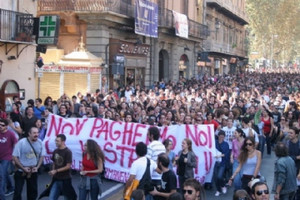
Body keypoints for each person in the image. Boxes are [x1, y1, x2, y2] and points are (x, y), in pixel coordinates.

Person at [40, 134, 77, 200]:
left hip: (65, 179)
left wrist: (56, 171)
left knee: (68, 197)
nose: (56, 142)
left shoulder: (68, 152)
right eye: (55, 141)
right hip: (56, 179)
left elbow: (68, 166)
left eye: (57, 141)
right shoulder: (55, 151)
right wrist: (53, 172)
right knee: (52, 197)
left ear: (63, 142)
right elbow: (54, 162)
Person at [12, 126, 45, 200]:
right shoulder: (22, 142)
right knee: (18, 191)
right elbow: (14, 157)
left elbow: (42, 156)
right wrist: (23, 168)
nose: (36, 134)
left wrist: (37, 167)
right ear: (29, 134)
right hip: (21, 171)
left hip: (33, 171)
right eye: (34, 133)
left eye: (37, 133)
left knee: (32, 192)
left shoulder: (40, 143)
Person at [0, 118, 17, 199]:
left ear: (6, 126)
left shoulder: (11, 134)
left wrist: (14, 157)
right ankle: (11, 187)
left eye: (2, 125)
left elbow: (15, 145)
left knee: (1, 175)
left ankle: (1, 196)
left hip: (6, 157)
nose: (0, 126)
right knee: (5, 173)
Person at [285, 127, 300, 199]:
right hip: (289, 170)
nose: (289, 134)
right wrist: (296, 157)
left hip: (298, 170)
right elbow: (286, 157)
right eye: (288, 133)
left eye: (291, 133)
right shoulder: (287, 143)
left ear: (296, 134)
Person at [214, 130, 230, 196]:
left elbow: (226, 153)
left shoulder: (226, 144)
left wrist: (220, 155)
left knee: (219, 176)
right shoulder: (214, 142)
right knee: (215, 177)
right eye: (220, 137)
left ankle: (223, 186)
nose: (221, 138)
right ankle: (218, 190)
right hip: (215, 162)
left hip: (222, 163)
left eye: (223, 137)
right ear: (218, 136)